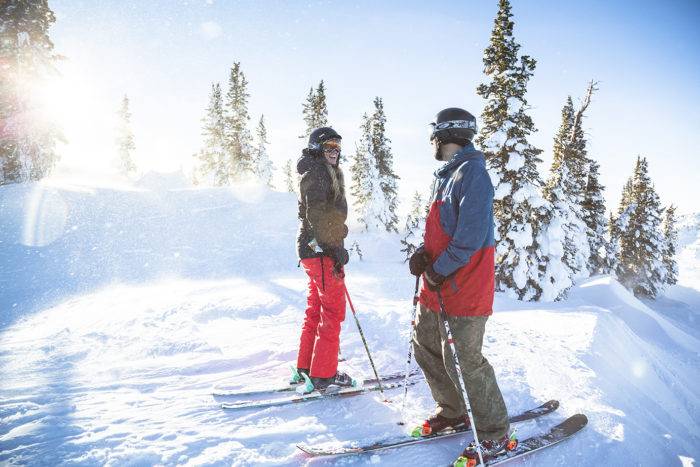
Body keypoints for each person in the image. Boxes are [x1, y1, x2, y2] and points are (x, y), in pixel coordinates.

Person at [408, 108, 512, 462]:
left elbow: (469, 237)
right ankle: (453, 411)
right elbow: (444, 230)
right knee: (427, 348)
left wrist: (439, 269)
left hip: (463, 287)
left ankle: (495, 432)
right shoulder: (445, 176)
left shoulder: (473, 174)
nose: (432, 142)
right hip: (436, 286)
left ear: (445, 134)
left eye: (434, 135)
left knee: (464, 361)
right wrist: (424, 255)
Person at [293, 127, 353, 392]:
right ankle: (324, 375)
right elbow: (316, 216)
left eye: (337, 146)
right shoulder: (318, 173)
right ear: (317, 148)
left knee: (316, 310)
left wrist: (339, 230)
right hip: (321, 252)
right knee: (332, 312)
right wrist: (333, 247)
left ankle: (307, 368)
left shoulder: (317, 172)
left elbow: (320, 215)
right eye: (329, 146)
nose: (334, 151)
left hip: (314, 251)